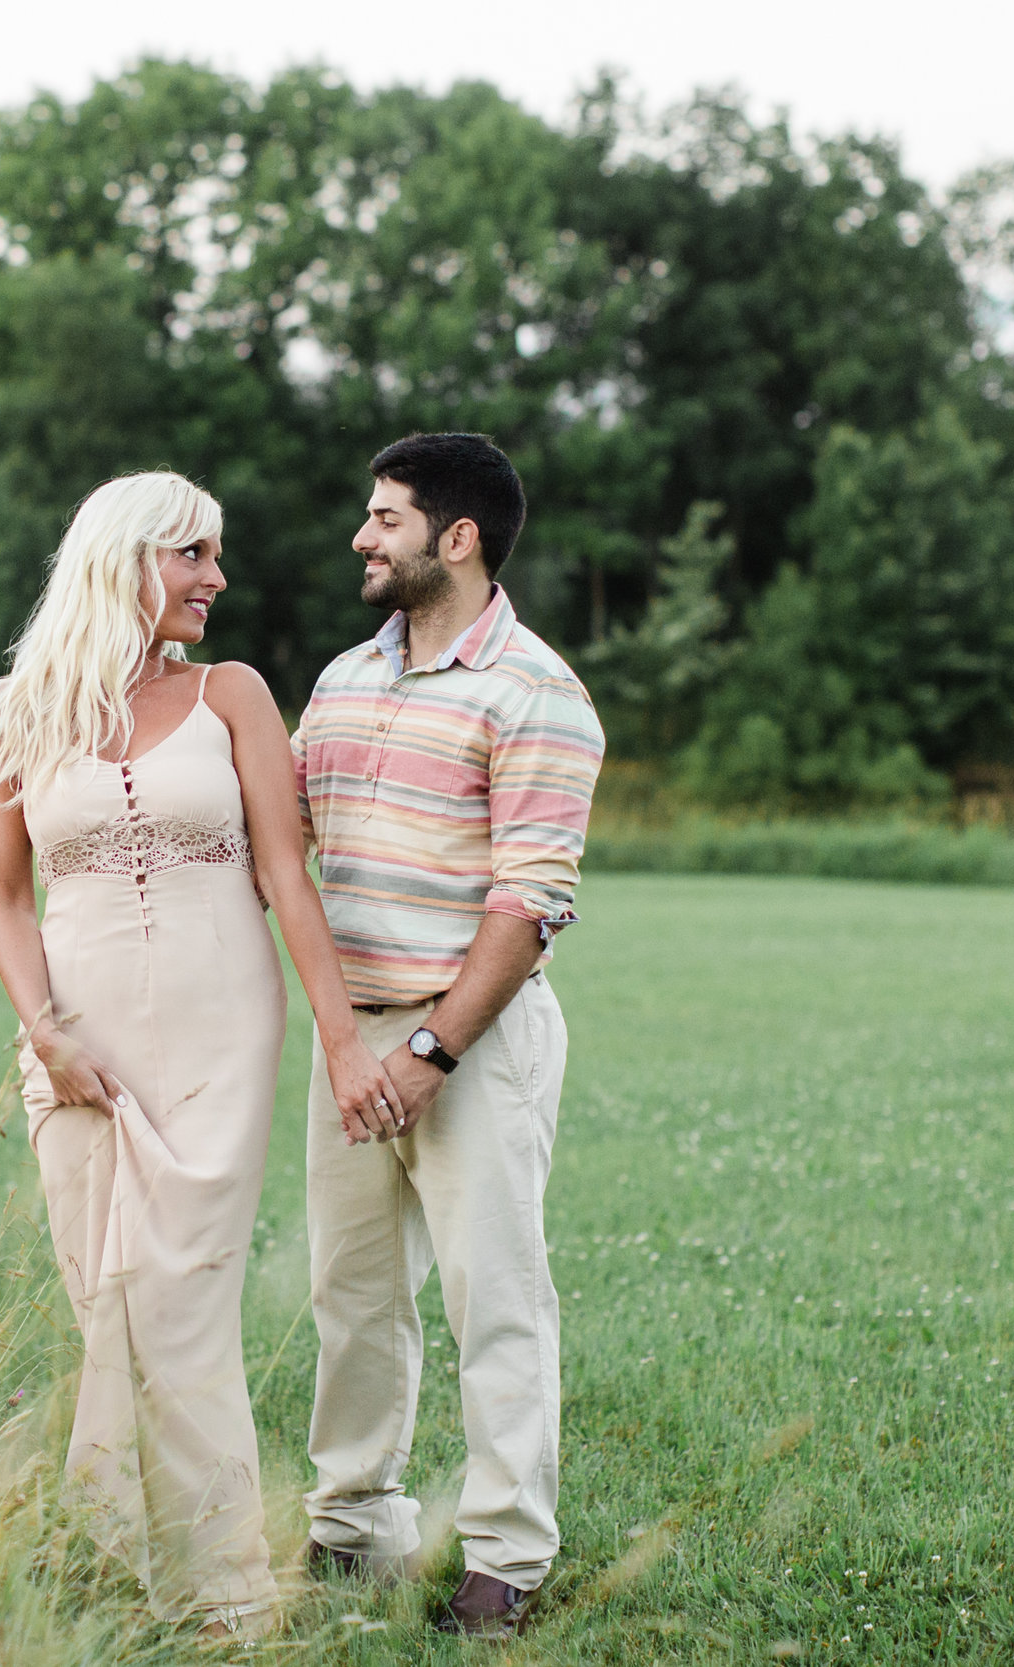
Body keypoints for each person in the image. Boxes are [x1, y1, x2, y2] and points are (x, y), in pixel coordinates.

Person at [0, 471, 407, 1634]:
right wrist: (46, 1034)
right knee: (104, 1297)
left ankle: (222, 1595)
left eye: (216, 556)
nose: (217, 578)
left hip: (221, 1024)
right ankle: (121, 1566)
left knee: (182, 1298)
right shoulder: (8, 712)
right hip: (76, 1043)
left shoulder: (233, 694)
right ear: (128, 558)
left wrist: (343, 1041)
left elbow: (283, 876)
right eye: (195, 555)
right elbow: (7, 903)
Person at [293, 433, 605, 1640]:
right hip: (350, 1035)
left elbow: (530, 902)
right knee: (353, 1296)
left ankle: (506, 1562)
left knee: (496, 1296)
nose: (362, 537)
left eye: (384, 517)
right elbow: (295, 846)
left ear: (455, 538)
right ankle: (355, 1520)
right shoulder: (341, 678)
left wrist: (429, 1057)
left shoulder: (535, 689)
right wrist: (348, 1045)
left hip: (471, 1038)